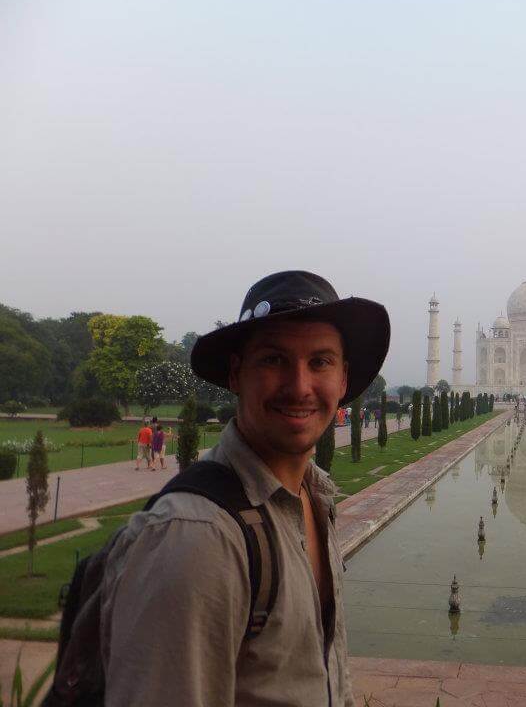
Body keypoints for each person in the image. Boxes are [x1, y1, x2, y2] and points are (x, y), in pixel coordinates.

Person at [99, 270, 390, 706]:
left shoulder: (314, 499)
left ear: (343, 379)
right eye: (274, 359)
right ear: (236, 373)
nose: (299, 386)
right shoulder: (196, 539)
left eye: (320, 362)